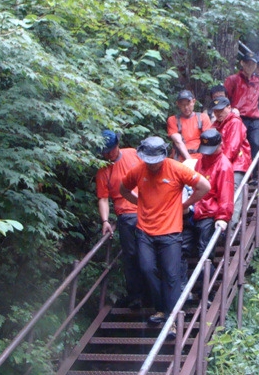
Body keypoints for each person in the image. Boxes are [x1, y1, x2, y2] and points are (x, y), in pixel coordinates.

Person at [119, 136, 210, 336]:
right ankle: (160, 308)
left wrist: (184, 205)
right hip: (145, 230)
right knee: (147, 268)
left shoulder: (176, 168)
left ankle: (172, 319)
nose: (152, 165)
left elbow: (204, 186)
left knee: (171, 275)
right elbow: (123, 188)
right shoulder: (138, 171)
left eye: (156, 161)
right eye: (149, 161)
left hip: (171, 231)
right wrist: (139, 203)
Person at [95, 129, 145, 309]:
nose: (108, 155)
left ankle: (152, 293)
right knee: (130, 255)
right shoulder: (103, 171)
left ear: (117, 145)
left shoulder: (133, 154)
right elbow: (103, 198)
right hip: (125, 215)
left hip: (146, 210)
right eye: (105, 152)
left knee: (148, 252)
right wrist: (105, 221)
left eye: (110, 150)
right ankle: (136, 295)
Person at [181, 129, 234, 291]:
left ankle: (206, 293)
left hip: (210, 214)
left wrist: (222, 218)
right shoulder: (201, 161)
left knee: (205, 252)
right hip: (195, 211)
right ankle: (182, 289)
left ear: (219, 145)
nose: (207, 153)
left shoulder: (224, 166)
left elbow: (226, 194)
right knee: (181, 248)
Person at [224, 51, 259, 162]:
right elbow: (225, 99)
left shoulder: (258, 84)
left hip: (254, 119)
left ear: (255, 65)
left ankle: (256, 170)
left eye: (253, 64)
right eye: (247, 63)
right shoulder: (233, 80)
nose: (250, 66)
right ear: (242, 63)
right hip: (238, 118)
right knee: (237, 144)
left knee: (256, 143)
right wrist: (230, 109)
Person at [211, 96, 251, 230]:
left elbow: (232, 148)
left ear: (229, 107)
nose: (218, 113)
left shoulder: (235, 122)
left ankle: (232, 229)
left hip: (237, 164)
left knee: (233, 194)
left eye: (221, 110)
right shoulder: (216, 125)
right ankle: (222, 229)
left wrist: (218, 167)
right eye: (216, 111)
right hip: (222, 165)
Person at [166, 89, 212, 161]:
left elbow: (209, 139)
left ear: (193, 102)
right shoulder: (173, 120)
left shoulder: (203, 117)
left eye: (188, 104)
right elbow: (178, 141)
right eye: (183, 105)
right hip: (181, 159)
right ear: (178, 104)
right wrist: (189, 159)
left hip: (201, 157)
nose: (186, 108)